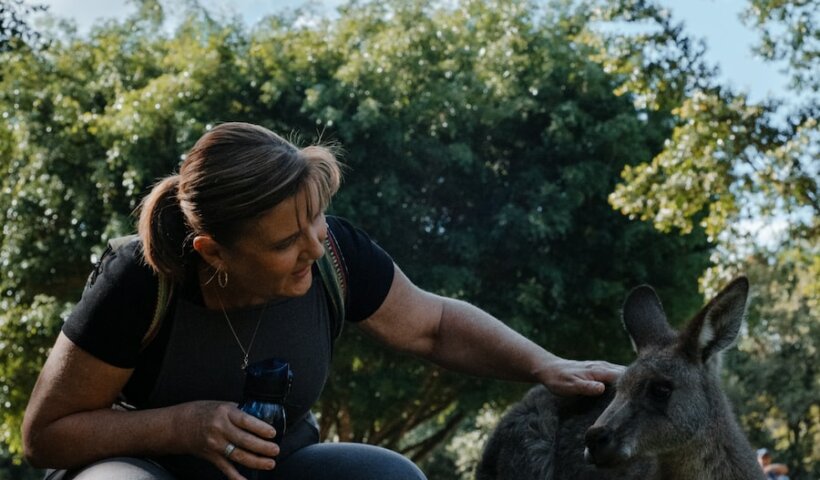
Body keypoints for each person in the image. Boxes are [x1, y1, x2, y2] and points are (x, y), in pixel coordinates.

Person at [22, 122, 623, 480]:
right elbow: (46, 433)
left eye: (317, 222)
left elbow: (434, 325)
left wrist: (546, 365)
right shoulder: (140, 281)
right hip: (142, 470)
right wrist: (183, 425)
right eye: (286, 241)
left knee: (391, 476)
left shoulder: (332, 253)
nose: (313, 246)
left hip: (279, 467)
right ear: (213, 252)